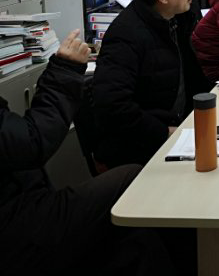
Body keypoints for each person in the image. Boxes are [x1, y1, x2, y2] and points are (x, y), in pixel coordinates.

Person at [0, 29, 175, 275]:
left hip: (25, 201)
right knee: (132, 182)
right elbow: (31, 141)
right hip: (16, 226)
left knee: (132, 240)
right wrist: (64, 70)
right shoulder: (129, 33)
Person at [92, 0, 208, 169]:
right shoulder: (125, 36)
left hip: (181, 128)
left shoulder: (179, 18)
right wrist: (164, 132)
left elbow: (194, 72)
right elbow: (113, 106)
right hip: (140, 148)